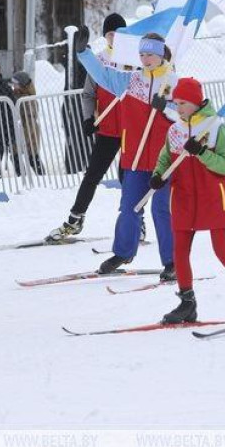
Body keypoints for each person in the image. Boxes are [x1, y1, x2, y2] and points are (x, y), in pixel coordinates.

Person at [152, 77, 225, 323]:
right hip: (184, 196)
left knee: (222, 249)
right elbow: (165, 157)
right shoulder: (175, 130)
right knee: (180, 250)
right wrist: (158, 175)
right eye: (176, 103)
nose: (179, 108)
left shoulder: (216, 128)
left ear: (196, 103)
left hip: (214, 196)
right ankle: (187, 303)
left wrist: (202, 152)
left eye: (183, 103)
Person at [90, 33, 178, 279]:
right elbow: (102, 76)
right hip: (136, 158)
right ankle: (123, 253)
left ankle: (173, 261)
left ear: (161, 54)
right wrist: (83, 54)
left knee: (162, 210)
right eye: (141, 54)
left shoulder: (174, 82)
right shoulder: (132, 80)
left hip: (164, 160)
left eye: (149, 54)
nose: (145, 59)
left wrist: (168, 108)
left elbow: (190, 116)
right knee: (129, 208)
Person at [48, 14, 130, 240]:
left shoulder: (135, 59)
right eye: (110, 34)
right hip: (108, 130)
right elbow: (88, 94)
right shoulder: (99, 60)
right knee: (92, 175)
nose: (114, 38)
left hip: (130, 130)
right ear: (105, 36)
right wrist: (87, 118)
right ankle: (75, 218)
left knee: (127, 178)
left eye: (119, 34)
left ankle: (134, 221)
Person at [11, 70, 44, 175]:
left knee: (27, 156)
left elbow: (30, 121)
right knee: (30, 157)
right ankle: (32, 175)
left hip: (29, 133)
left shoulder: (27, 100)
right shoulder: (19, 95)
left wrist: (23, 139)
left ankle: (25, 176)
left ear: (22, 85)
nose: (13, 86)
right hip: (23, 131)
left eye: (15, 84)